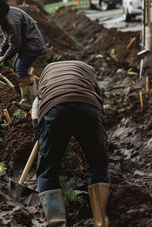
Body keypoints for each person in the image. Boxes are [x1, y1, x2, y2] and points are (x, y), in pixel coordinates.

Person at [32, 61, 109, 227]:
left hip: (54, 107)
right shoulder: (88, 72)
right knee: (98, 164)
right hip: (88, 107)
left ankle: (56, 223)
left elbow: (37, 104)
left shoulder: (46, 72)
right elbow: (99, 101)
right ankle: (101, 221)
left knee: (47, 170)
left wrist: (39, 132)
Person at [0, 0, 46, 103]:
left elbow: (15, 45)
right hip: (27, 45)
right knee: (16, 67)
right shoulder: (6, 15)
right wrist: (0, 52)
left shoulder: (12, 22)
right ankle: (31, 91)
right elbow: (7, 38)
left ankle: (29, 101)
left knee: (20, 69)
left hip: (33, 45)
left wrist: (2, 59)